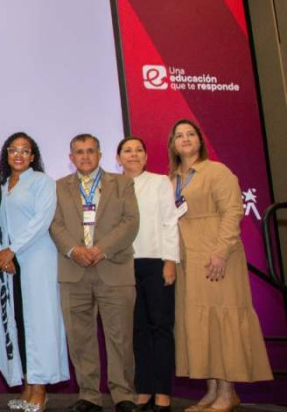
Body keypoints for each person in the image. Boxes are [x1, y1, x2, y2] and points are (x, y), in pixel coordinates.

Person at [168, 120, 272, 411]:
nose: (185, 139)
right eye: (179, 136)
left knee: (222, 320)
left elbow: (232, 211)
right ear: (173, 144)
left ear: (200, 140)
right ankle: (212, 391)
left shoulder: (217, 171)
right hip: (188, 258)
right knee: (201, 325)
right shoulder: (173, 178)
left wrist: (222, 252)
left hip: (216, 257)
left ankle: (228, 392)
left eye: (190, 134)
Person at [49, 135, 140, 412]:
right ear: (71, 157)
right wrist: (74, 249)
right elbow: (55, 223)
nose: (85, 156)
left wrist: (100, 249)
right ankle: (89, 395)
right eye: (79, 152)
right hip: (73, 269)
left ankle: (123, 395)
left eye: (90, 151)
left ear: (100, 155)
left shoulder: (122, 183)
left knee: (120, 336)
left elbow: (130, 222)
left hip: (113, 268)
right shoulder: (58, 187)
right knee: (80, 338)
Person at [0, 133, 69, 412]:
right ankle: (26, 387)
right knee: (18, 323)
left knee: (40, 324)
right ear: (7, 154)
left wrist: (12, 249)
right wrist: (1, 254)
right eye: (14, 150)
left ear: (33, 156)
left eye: (25, 151)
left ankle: (41, 389)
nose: (19, 155)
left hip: (36, 260)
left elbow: (42, 220)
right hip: (9, 266)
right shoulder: (1, 186)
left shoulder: (42, 182)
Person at [115, 137, 179, 412]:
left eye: (139, 150)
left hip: (156, 262)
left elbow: (170, 221)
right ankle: (143, 389)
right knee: (137, 330)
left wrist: (170, 261)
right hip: (123, 264)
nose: (133, 155)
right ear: (118, 158)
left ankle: (163, 391)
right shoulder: (112, 186)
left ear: (146, 156)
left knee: (160, 327)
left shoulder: (160, 182)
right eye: (127, 151)